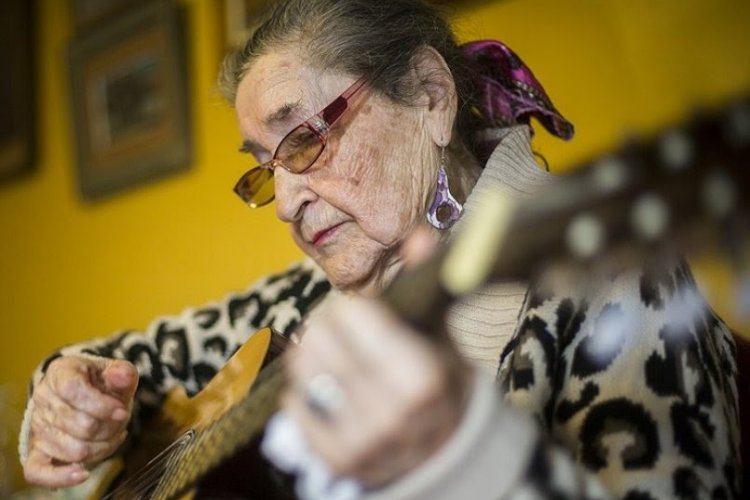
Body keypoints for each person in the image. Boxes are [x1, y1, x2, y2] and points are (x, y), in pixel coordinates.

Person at [20, 0, 741, 498]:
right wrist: (67, 395)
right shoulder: (308, 301)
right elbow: (130, 366)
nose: (290, 203)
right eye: (265, 166)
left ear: (430, 96)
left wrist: (464, 459)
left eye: (304, 139)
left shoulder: (614, 283)